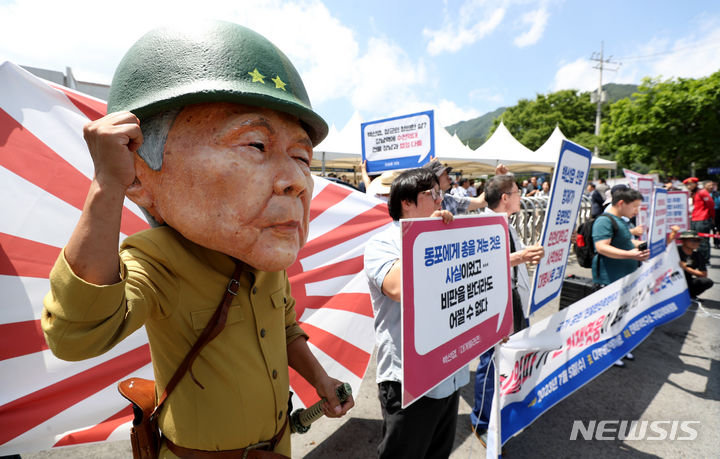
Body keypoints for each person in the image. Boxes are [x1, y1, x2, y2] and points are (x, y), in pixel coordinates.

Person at [40, 21, 352, 458]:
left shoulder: (264, 258)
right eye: (256, 145)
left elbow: (283, 327)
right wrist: (107, 185)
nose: (295, 181)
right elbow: (76, 337)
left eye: (301, 156)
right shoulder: (158, 259)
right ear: (143, 173)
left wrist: (319, 379)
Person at [364, 168, 464, 459]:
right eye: (431, 194)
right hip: (408, 378)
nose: (439, 201)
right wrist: (427, 238)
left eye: (440, 193)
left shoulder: (449, 235)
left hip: (449, 370)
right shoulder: (381, 244)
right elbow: (398, 287)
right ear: (406, 202)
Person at [470, 175, 545, 447]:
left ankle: (508, 405)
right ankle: (481, 420)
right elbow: (483, 263)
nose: (520, 196)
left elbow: (514, 255)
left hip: (514, 298)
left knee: (514, 354)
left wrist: (528, 254)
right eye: (516, 191)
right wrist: (522, 256)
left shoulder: (506, 223)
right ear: (505, 197)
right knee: (490, 361)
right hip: (495, 303)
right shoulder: (483, 223)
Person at [422, 160, 487, 215]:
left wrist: (496, 179)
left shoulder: (449, 200)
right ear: (433, 178)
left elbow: (480, 202)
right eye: (444, 174)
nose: (448, 177)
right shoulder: (419, 203)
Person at [685, 177, 714, 265]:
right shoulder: (692, 193)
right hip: (693, 219)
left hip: (702, 219)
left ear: (696, 184)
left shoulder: (702, 192)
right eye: (687, 185)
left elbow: (711, 205)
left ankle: (705, 261)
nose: (689, 186)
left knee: (703, 241)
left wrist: (712, 218)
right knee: (693, 241)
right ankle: (697, 259)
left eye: (691, 184)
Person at [676, 230, 714, 298]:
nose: (696, 243)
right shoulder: (675, 251)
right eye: (692, 240)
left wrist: (686, 268)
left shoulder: (698, 254)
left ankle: (691, 295)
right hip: (674, 280)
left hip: (687, 281)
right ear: (684, 241)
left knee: (707, 282)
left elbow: (703, 274)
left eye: (698, 240)